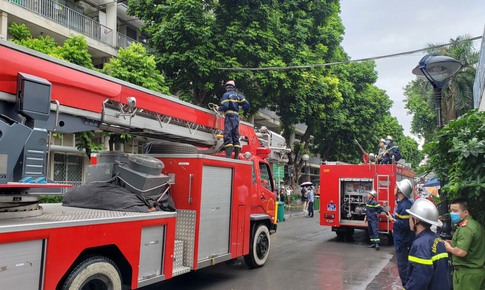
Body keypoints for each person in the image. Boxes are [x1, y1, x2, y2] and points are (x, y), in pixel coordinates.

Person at [404, 198, 450, 290]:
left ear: (416, 220)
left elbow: (419, 280)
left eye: (410, 217)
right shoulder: (437, 239)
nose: (409, 220)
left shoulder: (420, 245)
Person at [444, 198, 485, 290]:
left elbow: (461, 252)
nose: (452, 213)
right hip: (476, 273)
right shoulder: (475, 224)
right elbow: (472, 245)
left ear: (465, 212)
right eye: (451, 210)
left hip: (467, 275)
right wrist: (453, 243)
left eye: (455, 211)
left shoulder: (465, 228)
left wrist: (449, 248)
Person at [386, 179, 415, 286]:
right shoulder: (405, 203)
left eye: (396, 188)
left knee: (403, 267)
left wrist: (393, 220)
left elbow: (406, 225)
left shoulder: (405, 205)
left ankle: (406, 286)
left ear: (400, 191)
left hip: (403, 242)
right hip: (403, 240)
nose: (394, 189)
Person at [218, 80, 250, 158]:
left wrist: (219, 108)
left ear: (226, 87)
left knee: (227, 134)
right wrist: (243, 114)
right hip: (236, 117)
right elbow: (247, 104)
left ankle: (228, 156)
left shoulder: (226, 95)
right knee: (235, 135)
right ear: (233, 88)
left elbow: (225, 106)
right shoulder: (238, 96)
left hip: (229, 116)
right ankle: (236, 156)